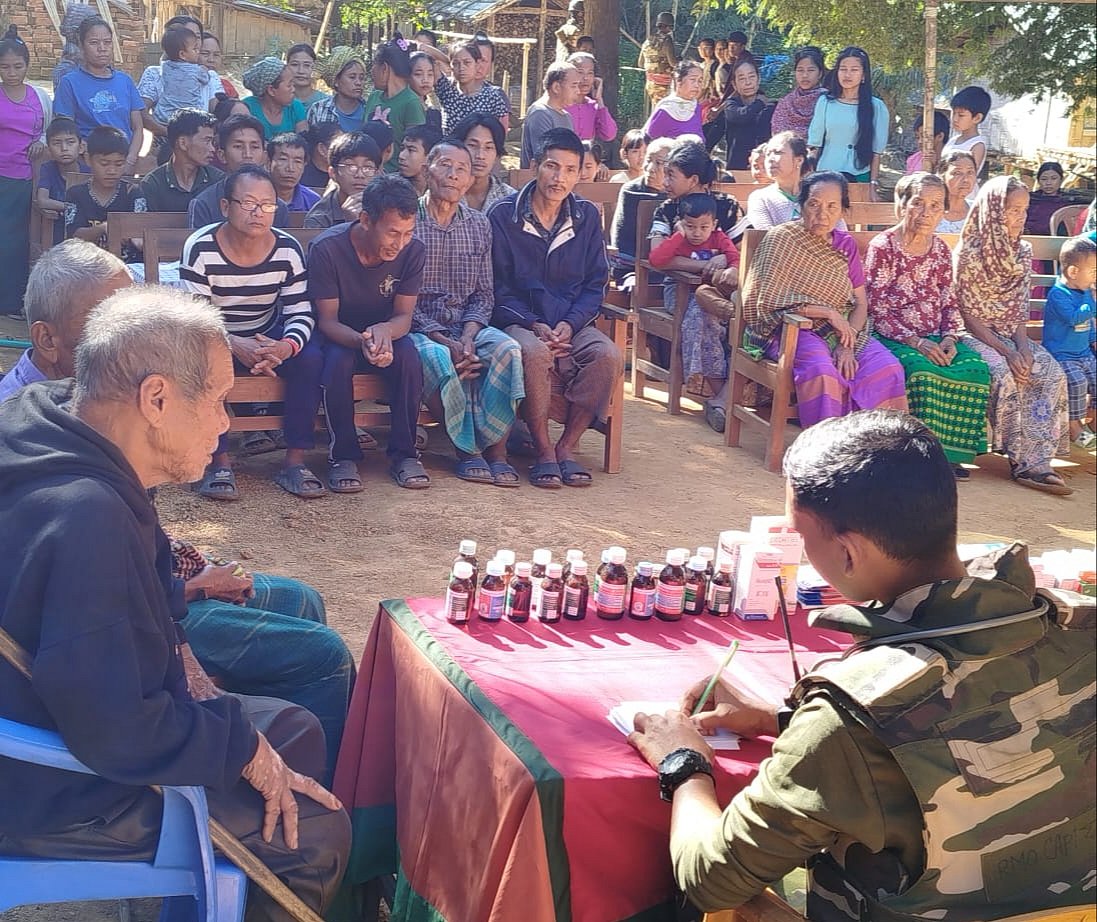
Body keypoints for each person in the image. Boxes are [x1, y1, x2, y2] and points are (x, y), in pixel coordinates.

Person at [627, 409, 1095, 921]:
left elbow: (710, 879)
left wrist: (684, 764)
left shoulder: (850, 717)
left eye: (802, 536)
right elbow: (982, 724)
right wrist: (782, 721)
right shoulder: (1076, 626)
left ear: (848, 553)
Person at [0, 286, 351, 921]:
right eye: (217, 400)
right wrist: (240, 747)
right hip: (55, 786)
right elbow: (115, 728)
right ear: (156, 399)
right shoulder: (88, 516)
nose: (225, 422)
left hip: (58, 713)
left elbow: (129, 595)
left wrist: (193, 670)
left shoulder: (50, 417)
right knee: (314, 833)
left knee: (292, 733)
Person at [181, 165, 325, 501]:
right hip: (215, 334)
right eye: (248, 203)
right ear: (225, 207)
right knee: (203, 359)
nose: (258, 213)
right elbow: (196, 318)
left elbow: (300, 311)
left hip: (266, 336)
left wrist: (285, 347)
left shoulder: (287, 249)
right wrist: (233, 344)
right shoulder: (200, 248)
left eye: (267, 204)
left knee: (310, 358)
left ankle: (295, 461)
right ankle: (218, 462)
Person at [489, 128, 621, 488]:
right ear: (535, 166)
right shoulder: (504, 216)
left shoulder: (586, 216)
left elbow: (596, 283)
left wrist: (571, 324)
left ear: (579, 174)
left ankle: (567, 446)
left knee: (607, 355)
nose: (559, 177)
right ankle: (543, 448)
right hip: (520, 322)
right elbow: (496, 286)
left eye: (569, 169)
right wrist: (534, 323)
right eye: (551, 166)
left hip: (571, 325)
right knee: (532, 353)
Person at [741, 171, 908, 427]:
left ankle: (875, 443)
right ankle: (826, 443)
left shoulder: (845, 245)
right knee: (823, 373)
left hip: (843, 330)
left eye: (832, 206)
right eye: (814, 204)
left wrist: (848, 343)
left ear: (842, 210)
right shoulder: (781, 239)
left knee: (888, 369)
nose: (822, 215)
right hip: (790, 327)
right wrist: (828, 313)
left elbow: (860, 303)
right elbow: (764, 302)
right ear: (801, 205)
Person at [409, 139, 525, 486]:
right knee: (437, 358)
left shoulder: (479, 224)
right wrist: (446, 341)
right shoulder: (407, 221)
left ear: (471, 179)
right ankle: (467, 451)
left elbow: (485, 294)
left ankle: (498, 453)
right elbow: (400, 299)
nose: (453, 175)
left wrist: (469, 338)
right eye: (445, 165)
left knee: (508, 350)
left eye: (462, 169)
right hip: (419, 328)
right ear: (426, 170)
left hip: (467, 326)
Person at [309, 174, 430, 491]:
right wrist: (364, 341)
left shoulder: (413, 252)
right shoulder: (327, 249)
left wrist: (384, 332)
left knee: (410, 359)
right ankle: (343, 455)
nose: (399, 244)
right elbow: (327, 321)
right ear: (365, 220)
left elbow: (404, 316)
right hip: (341, 335)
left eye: (408, 233)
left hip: (387, 335)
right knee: (337, 362)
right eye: (392, 233)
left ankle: (405, 454)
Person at [866, 172, 991, 477]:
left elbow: (949, 299)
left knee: (976, 368)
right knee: (922, 372)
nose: (926, 213)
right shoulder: (883, 246)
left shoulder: (940, 250)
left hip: (935, 334)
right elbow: (876, 308)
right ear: (902, 205)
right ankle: (920, 455)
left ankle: (950, 455)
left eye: (935, 206)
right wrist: (916, 342)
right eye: (918, 203)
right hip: (894, 335)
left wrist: (950, 338)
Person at [955, 175, 1071, 494]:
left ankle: (1040, 461)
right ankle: (1022, 462)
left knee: (1050, 373)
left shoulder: (1022, 250)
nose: (1020, 216)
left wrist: (1023, 346)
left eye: (1024, 209)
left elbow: (1020, 307)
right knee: (1005, 374)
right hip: (973, 335)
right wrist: (1008, 352)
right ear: (994, 210)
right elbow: (967, 314)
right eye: (1013, 209)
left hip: (1010, 334)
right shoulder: (969, 252)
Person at [649, 141, 741, 423]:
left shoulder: (726, 206)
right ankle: (723, 397)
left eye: (671, 175)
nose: (664, 182)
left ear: (693, 180)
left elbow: (745, 251)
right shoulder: (667, 210)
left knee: (748, 316)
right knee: (703, 312)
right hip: (680, 289)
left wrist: (726, 261)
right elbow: (659, 257)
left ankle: (722, 399)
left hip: (722, 288)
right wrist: (705, 265)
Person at [0, 26, 50, 318]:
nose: (11, 72)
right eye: (5, 67)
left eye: (17, 66)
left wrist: (40, 142)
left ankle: (13, 301)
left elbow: (48, 131)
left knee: (20, 240)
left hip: (27, 177)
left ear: (27, 65)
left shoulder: (39, 97)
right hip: (1, 176)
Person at [53, 16, 144, 171]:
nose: (102, 48)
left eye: (107, 42)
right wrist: (90, 161)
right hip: (87, 164)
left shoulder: (125, 81)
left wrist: (130, 160)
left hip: (123, 163)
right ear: (81, 46)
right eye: (94, 43)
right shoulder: (69, 83)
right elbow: (66, 131)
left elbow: (138, 128)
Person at [807, 46, 888, 201]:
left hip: (860, 175)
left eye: (854, 70)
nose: (847, 74)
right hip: (826, 174)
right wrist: (809, 179)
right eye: (843, 69)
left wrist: (872, 185)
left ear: (863, 75)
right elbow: (814, 146)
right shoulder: (825, 102)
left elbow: (876, 152)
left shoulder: (877, 107)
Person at [188, 114, 290, 228]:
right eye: (238, 146)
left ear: (264, 155)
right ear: (222, 155)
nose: (247, 154)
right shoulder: (204, 204)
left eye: (254, 147)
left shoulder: (277, 207)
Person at [1043, 235, 1096, 449]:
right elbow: (1074, 319)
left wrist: (1094, 341)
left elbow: (1088, 325)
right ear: (1073, 272)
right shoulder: (1059, 294)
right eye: (1093, 271)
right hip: (1062, 355)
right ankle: (1074, 427)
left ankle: (1093, 421)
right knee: (1077, 382)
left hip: (1084, 353)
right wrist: (1093, 302)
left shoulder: (1085, 290)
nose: (1096, 276)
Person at [64, 126, 146, 260]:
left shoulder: (133, 193)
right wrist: (103, 228)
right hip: (86, 263)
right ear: (88, 159)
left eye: (119, 164)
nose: (112, 171)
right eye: (104, 164)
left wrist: (138, 239)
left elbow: (140, 234)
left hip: (128, 264)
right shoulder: (76, 194)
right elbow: (74, 236)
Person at [609, 136, 672, 285]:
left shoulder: (677, 193)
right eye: (648, 160)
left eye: (659, 163)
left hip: (670, 268)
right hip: (631, 268)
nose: (650, 168)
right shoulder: (631, 190)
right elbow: (622, 243)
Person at [419, 39, 510, 135]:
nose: (461, 68)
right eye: (456, 63)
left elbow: (501, 133)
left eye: (467, 62)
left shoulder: (492, 96)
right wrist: (449, 59)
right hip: (449, 144)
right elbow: (424, 49)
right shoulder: (446, 89)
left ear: (477, 64)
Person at [140, 108, 222, 212]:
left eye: (212, 142)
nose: (212, 149)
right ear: (183, 143)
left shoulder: (218, 180)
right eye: (207, 141)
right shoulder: (153, 184)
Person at [365, 34, 426, 173]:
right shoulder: (373, 97)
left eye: (374, 65)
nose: (371, 71)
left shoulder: (411, 103)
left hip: (395, 178)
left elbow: (415, 147)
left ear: (384, 68)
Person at [304, 129, 381, 228]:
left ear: (376, 174)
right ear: (333, 173)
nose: (360, 174)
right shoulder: (319, 218)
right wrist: (351, 225)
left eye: (367, 167)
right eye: (351, 166)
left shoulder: (385, 208)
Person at [35, 117, 87, 249]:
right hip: (56, 228)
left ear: (81, 147)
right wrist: (71, 207)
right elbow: (42, 200)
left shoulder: (88, 173)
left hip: (84, 232)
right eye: (57, 143)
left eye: (70, 142)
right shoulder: (48, 169)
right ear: (49, 150)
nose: (64, 148)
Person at [520, 62, 582, 168]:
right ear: (556, 87)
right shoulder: (540, 113)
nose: (578, 91)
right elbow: (545, 157)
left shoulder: (567, 117)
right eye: (574, 86)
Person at [452, 112, 515, 212]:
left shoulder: (510, 201)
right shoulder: (445, 192)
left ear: (497, 155)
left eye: (488, 147)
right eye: (472, 145)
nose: (480, 156)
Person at [720, 57, 774, 171]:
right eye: (742, 78)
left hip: (764, 168)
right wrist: (759, 103)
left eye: (752, 77)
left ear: (758, 79)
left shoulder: (771, 107)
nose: (748, 82)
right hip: (737, 167)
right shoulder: (731, 105)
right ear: (734, 84)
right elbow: (742, 116)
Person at [746, 131, 808, 228]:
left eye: (778, 152)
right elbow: (765, 234)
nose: (770, 159)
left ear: (799, 160)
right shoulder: (760, 198)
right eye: (768, 154)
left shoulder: (816, 195)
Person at [151, 26, 210, 127]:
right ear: (182, 54)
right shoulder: (196, 70)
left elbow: (164, 59)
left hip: (164, 115)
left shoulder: (165, 66)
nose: (198, 52)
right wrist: (205, 70)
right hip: (189, 115)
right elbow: (205, 79)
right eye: (195, 49)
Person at [242, 57, 308, 140]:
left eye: (293, 84)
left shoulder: (296, 107)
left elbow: (303, 141)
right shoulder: (247, 108)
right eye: (289, 85)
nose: (293, 89)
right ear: (271, 90)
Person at [769, 46, 825, 139]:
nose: (805, 75)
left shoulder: (827, 101)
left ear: (820, 73)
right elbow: (777, 135)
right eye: (800, 70)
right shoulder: (786, 102)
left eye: (811, 70)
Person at [309, 46, 368, 133]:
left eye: (361, 78)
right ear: (336, 80)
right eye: (352, 77)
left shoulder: (369, 109)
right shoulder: (319, 109)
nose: (358, 82)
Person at [642, 60, 704, 141]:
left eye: (700, 81)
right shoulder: (666, 110)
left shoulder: (696, 108)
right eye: (693, 79)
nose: (697, 85)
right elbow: (649, 140)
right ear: (678, 81)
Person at [940, 84, 990, 181]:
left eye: (961, 115)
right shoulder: (953, 140)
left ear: (977, 118)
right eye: (954, 113)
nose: (955, 119)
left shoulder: (977, 146)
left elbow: (968, 177)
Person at [565, 52, 618, 144]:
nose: (586, 78)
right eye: (580, 72)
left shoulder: (593, 106)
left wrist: (599, 100)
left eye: (590, 73)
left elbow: (609, 135)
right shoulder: (560, 105)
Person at [263, 131, 319, 212]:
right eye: (283, 159)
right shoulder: (255, 197)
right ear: (268, 163)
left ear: (304, 166)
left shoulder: (313, 201)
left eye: (297, 161)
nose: (290, 168)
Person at [639, 12, 678, 106]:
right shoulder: (667, 40)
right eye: (671, 26)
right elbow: (673, 63)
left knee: (657, 108)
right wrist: (681, 61)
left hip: (650, 83)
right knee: (665, 109)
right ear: (669, 26)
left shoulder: (647, 41)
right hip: (663, 84)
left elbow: (640, 64)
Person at [1024, 160, 1072, 236]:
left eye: (1054, 178)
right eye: (1044, 179)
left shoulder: (1069, 201)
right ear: (1038, 181)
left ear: (1061, 180)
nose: (1048, 183)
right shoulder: (1028, 199)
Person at [934, 150, 976, 233]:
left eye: (970, 172)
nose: (966, 179)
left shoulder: (979, 211)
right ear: (942, 176)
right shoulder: (929, 211)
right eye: (957, 173)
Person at [397, 123, 440, 197]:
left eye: (411, 150)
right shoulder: (390, 188)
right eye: (402, 148)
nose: (401, 156)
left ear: (430, 156)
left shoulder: (441, 191)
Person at [409, 50, 442, 132]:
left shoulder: (432, 105)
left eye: (430, 74)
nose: (425, 80)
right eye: (418, 74)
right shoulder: (408, 106)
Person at [286, 42, 327, 109]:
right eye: (295, 64)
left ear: (314, 67)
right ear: (287, 67)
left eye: (307, 65)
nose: (301, 71)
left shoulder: (326, 103)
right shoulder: (278, 101)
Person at [302, 120, 341, 188]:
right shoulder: (300, 173)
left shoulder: (345, 173)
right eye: (339, 146)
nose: (344, 149)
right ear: (322, 149)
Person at [199, 32, 238, 98]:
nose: (211, 60)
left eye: (216, 55)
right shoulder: (185, 85)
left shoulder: (226, 86)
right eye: (205, 53)